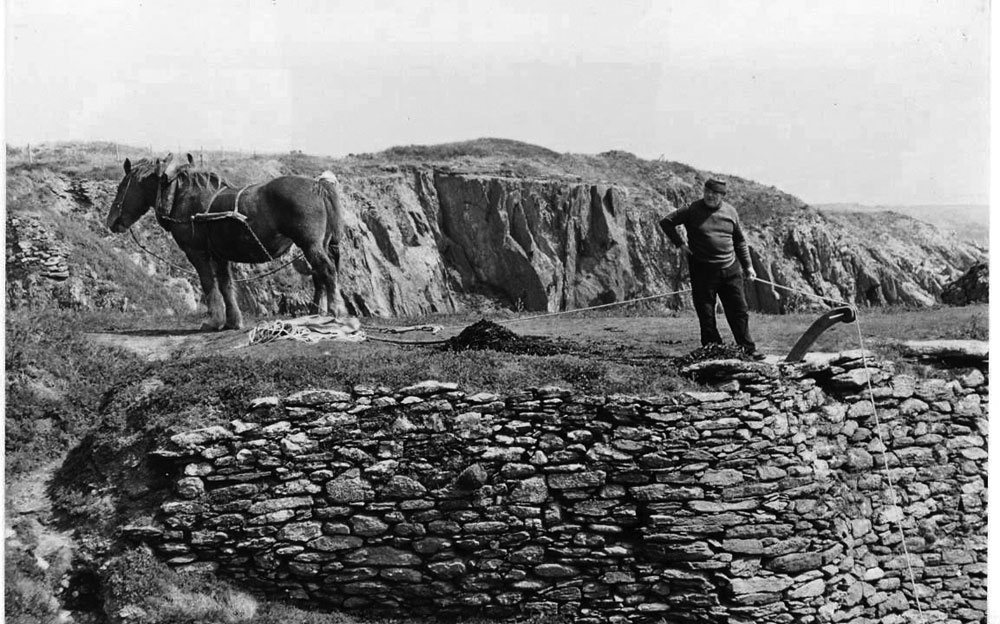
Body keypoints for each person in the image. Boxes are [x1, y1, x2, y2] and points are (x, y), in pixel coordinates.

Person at [659, 178, 764, 360]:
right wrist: (680, 244)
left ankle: (748, 349)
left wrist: (748, 266)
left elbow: (739, 241)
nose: (710, 196)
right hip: (702, 270)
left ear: (722, 196)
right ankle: (713, 351)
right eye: (707, 191)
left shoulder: (730, 211)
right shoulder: (692, 209)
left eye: (715, 193)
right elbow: (666, 222)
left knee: (739, 311)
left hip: (731, 269)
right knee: (706, 313)